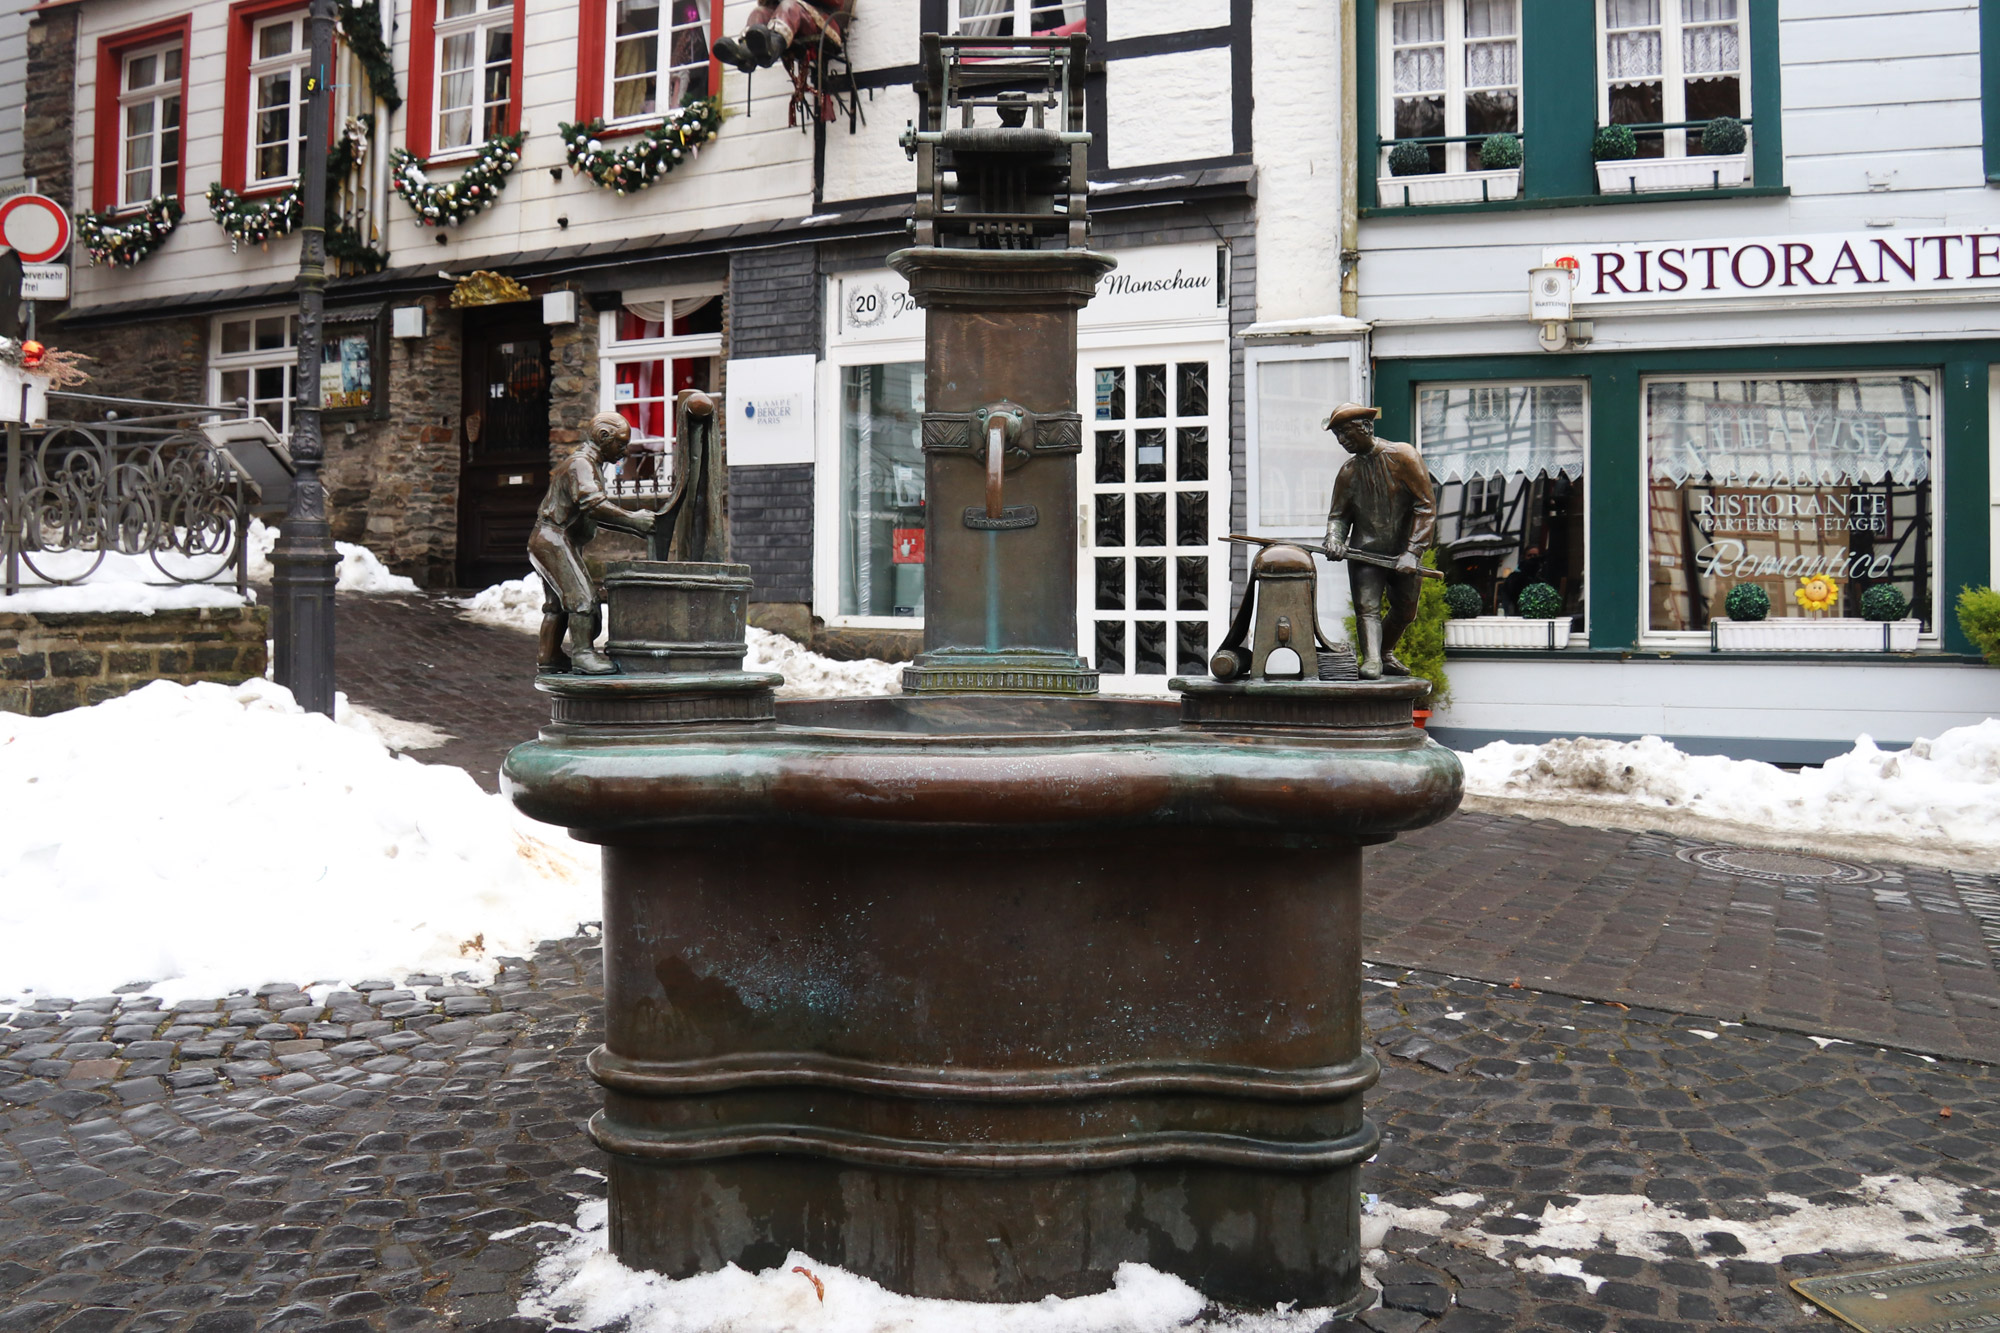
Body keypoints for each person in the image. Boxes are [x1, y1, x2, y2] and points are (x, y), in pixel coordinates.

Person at [529, 412, 657, 674]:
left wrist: (632, 526)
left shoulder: (589, 463)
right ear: (603, 437)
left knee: (557, 606)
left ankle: (549, 655)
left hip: (549, 539)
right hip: (553, 538)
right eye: (620, 445)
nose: (623, 452)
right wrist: (633, 520)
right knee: (582, 597)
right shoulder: (582, 464)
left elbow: (591, 511)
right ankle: (583, 654)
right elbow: (594, 504)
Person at [1320, 402, 1437, 680]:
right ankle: (1372, 659)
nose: (1343, 441)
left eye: (1347, 434)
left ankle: (1384, 653)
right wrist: (1334, 539)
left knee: (1406, 611)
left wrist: (1413, 551)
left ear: (1367, 427)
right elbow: (1338, 517)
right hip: (1364, 554)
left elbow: (1426, 506)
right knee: (1367, 609)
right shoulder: (1348, 472)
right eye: (1339, 437)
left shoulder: (1404, 456)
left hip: (1402, 553)